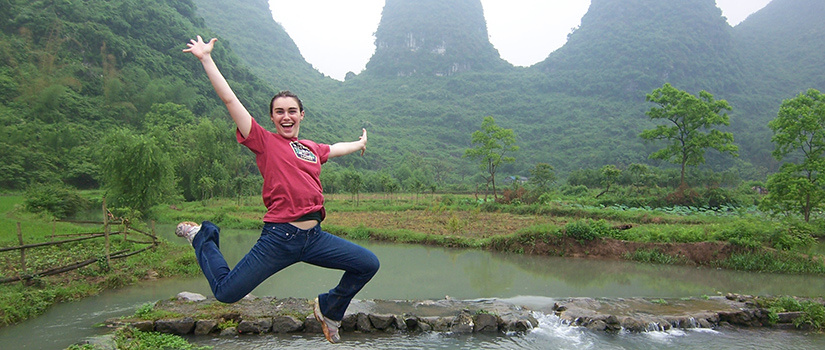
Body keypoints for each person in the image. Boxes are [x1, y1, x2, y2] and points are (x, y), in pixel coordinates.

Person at [178, 35, 380, 343]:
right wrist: (206, 59)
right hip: (279, 239)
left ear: (302, 115)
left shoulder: (311, 148)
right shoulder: (264, 141)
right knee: (226, 292)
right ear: (272, 118)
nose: (286, 116)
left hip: (315, 238)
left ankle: (329, 307)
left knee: (368, 264)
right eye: (279, 112)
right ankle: (202, 237)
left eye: (292, 111)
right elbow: (230, 100)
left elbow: (336, 148)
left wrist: (361, 143)